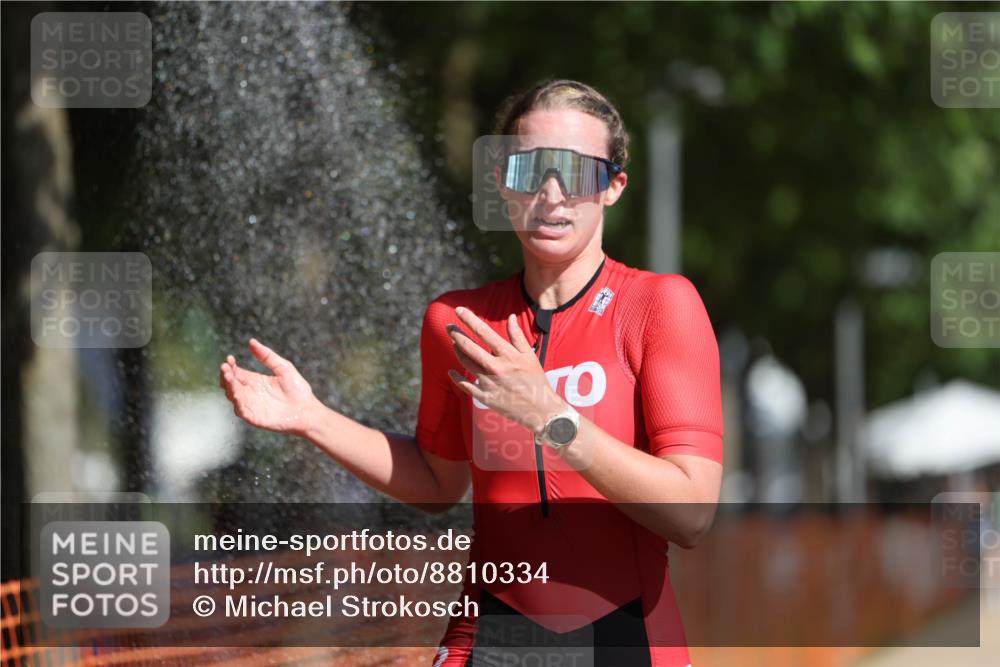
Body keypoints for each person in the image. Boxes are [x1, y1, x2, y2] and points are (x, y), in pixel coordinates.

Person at [220, 79, 723, 667]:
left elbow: (692, 512)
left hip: (624, 637)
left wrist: (550, 418)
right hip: (489, 634)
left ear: (613, 187)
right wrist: (313, 419)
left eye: (577, 172)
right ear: (502, 184)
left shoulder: (658, 305)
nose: (552, 194)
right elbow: (438, 483)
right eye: (530, 170)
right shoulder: (454, 322)